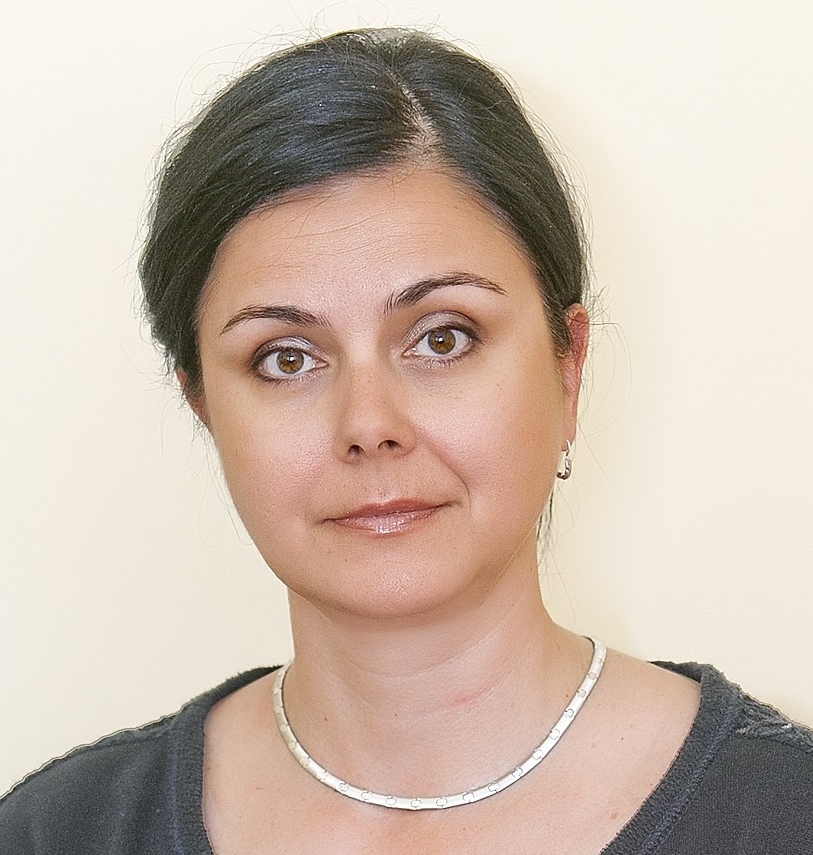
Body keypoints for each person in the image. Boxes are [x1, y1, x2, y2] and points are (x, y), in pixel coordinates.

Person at [1, 27, 811, 855]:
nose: (368, 424)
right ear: (204, 407)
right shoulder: (57, 833)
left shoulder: (786, 815)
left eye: (443, 338)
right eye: (285, 358)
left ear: (567, 369)